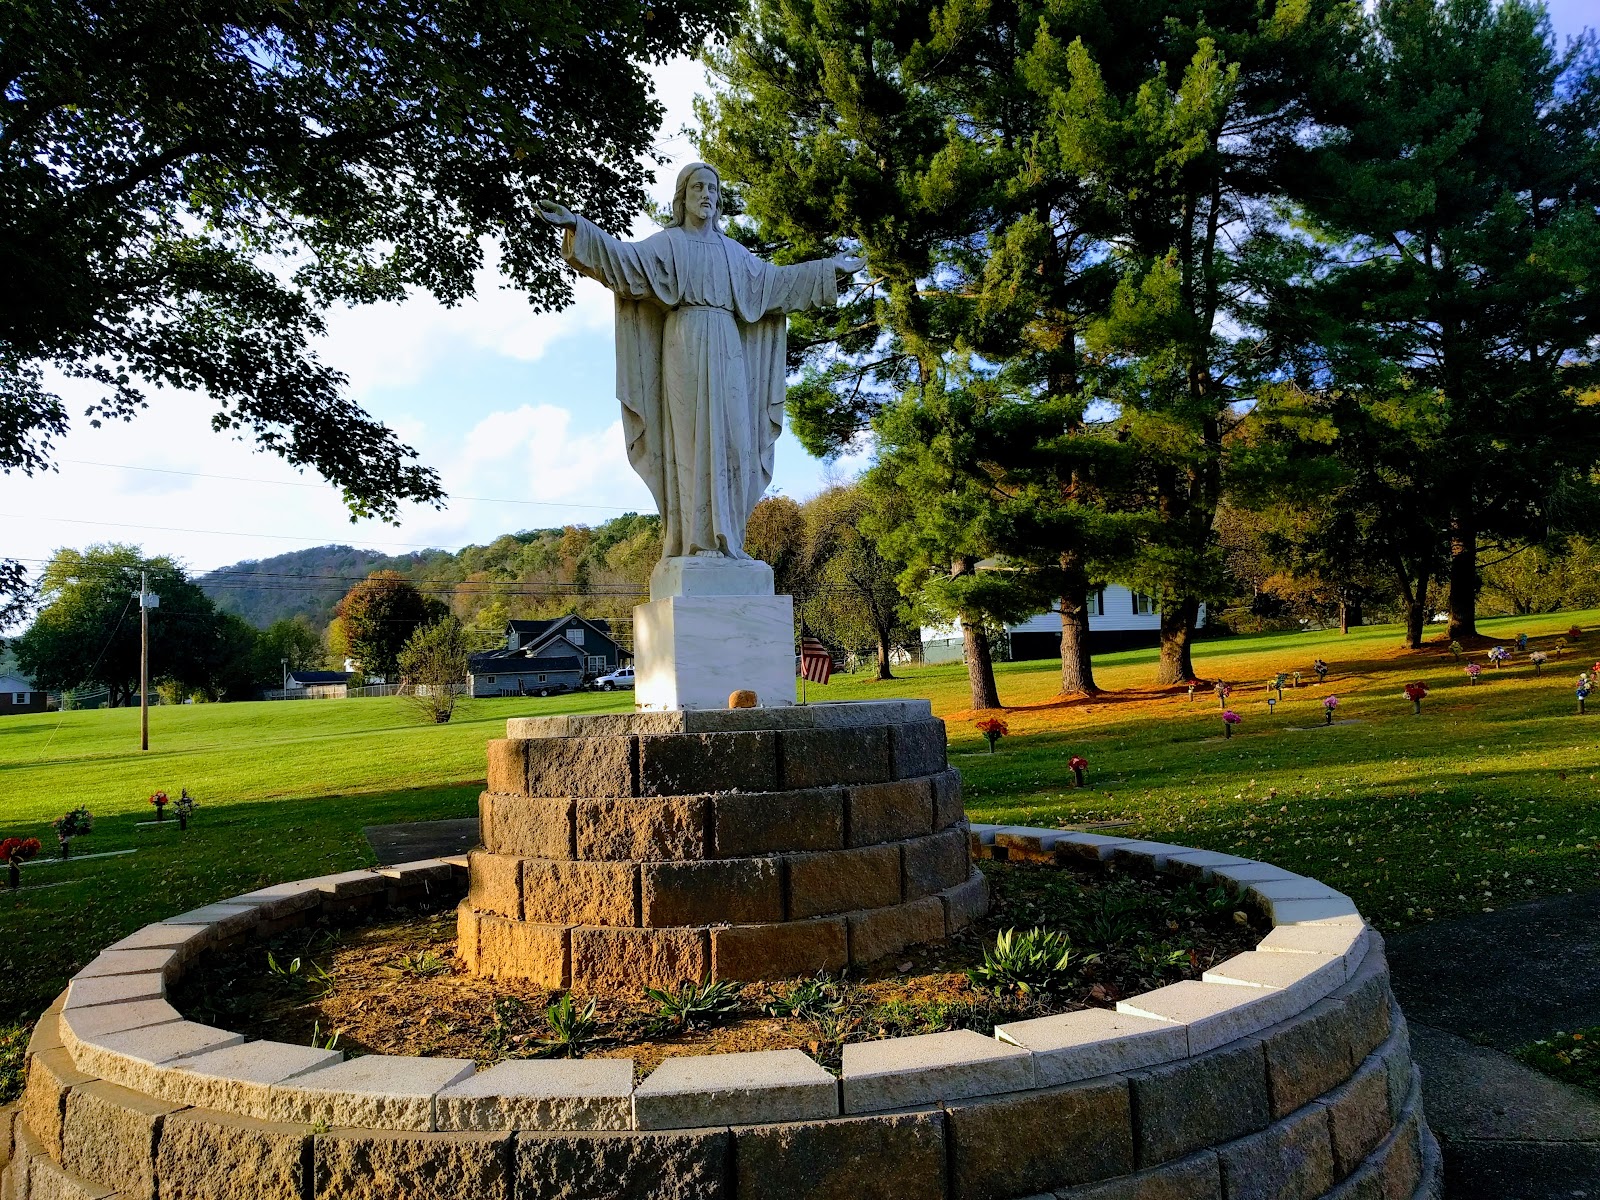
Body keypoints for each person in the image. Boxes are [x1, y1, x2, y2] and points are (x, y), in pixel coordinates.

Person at [538, 164, 864, 560]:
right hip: (685, 344)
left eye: (712, 188)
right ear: (683, 196)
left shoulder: (735, 254)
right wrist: (577, 225)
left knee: (734, 442)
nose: (706, 195)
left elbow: (777, 284)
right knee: (692, 445)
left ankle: (729, 541)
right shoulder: (667, 244)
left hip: (727, 346)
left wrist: (829, 269)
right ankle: (696, 541)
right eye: (698, 187)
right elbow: (623, 263)